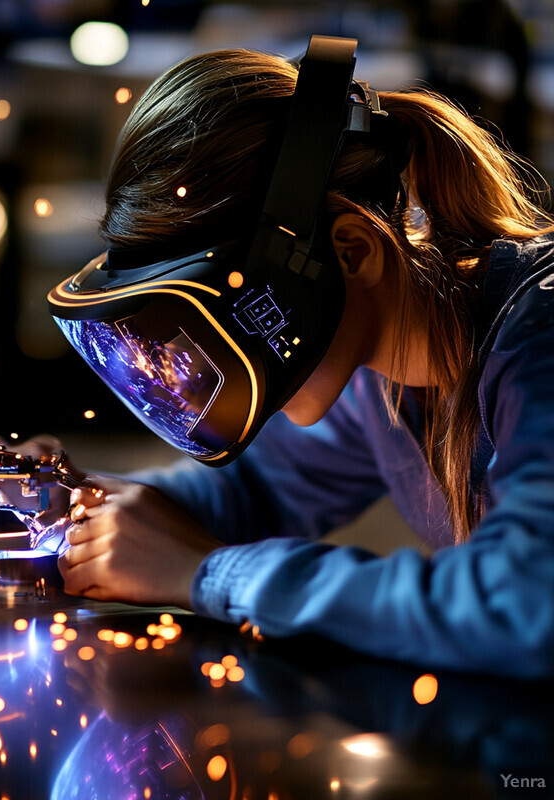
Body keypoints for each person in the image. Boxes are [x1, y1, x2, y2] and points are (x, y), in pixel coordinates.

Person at [49, 40, 554, 678]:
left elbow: (526, 601)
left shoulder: (538, 336)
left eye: (220, 327)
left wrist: (206, 574)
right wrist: (69, 502)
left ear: (350, 252)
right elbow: (257, 490)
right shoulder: (379, 381)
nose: (209, 368)